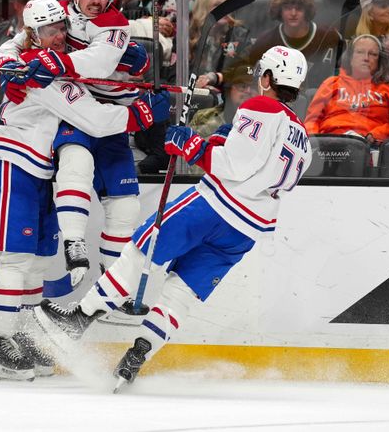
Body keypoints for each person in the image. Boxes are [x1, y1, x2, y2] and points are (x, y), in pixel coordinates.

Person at [32, 46, 312, 389]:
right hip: (247, 230)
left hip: (214, 207)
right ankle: (136, 358)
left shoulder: (260, 106)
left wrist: (192, 146)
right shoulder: (302, 136)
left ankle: (77, 321)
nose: (257, 83)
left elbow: (236, 165)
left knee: (141, 251)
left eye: (261, 76)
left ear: (268, 79)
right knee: (185, 290)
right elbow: (259, 164)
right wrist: (218, 142)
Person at [0, 0, 168, 381]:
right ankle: (0, 345)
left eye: (63, 27)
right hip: (10, 163)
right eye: (51, 31)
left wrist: (13, 63)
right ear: (34, 32)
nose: (61, 36)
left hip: (38, 170)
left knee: (38, 262)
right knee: (15, 260)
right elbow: (96, 120)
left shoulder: (47, 65)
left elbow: (24, 52)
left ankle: (26, 336)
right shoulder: (37, 71)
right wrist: (142, 114)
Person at [0, 0, 159, 289]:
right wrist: (8, 67)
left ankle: (114, 288)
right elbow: (20, 40)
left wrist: (58, 62)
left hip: (114, 107)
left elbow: (97, 63)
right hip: (77, 108)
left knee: (126, 204)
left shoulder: (115, 27)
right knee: (76, 160)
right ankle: (74, 242)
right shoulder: (58, 13)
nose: (96, 0)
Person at [225, 0, 342, 91]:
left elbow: (346, 69)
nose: (293, 13)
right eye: (287, 8)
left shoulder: (330, 36)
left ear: (307, 10)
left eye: (299, 8)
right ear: (279, 10)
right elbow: (243, 68)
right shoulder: (265, 41)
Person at [304, 34, 389, 144]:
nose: (366, 58)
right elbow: (312, 121)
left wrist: (375, 135)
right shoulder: (331, 83)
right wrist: (314, 144)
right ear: (350, 58)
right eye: (360, 52)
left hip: (372, 146)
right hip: (329, 146)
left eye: (373, 54)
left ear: (379, 61)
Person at [190, 0, 250, 83]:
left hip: (224, 93)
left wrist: (217, 78)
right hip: (192, 92)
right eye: (217, 5)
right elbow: (175, 74)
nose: (225, 9)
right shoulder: (188, 35)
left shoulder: (239, 36)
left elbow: (246, 69)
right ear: (203, 8)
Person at [190, 70, 257, 138]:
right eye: (243, 86)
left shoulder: (263, 124)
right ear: (229, 89)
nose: (248, 91)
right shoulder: (202, 117)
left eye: (253, 87)